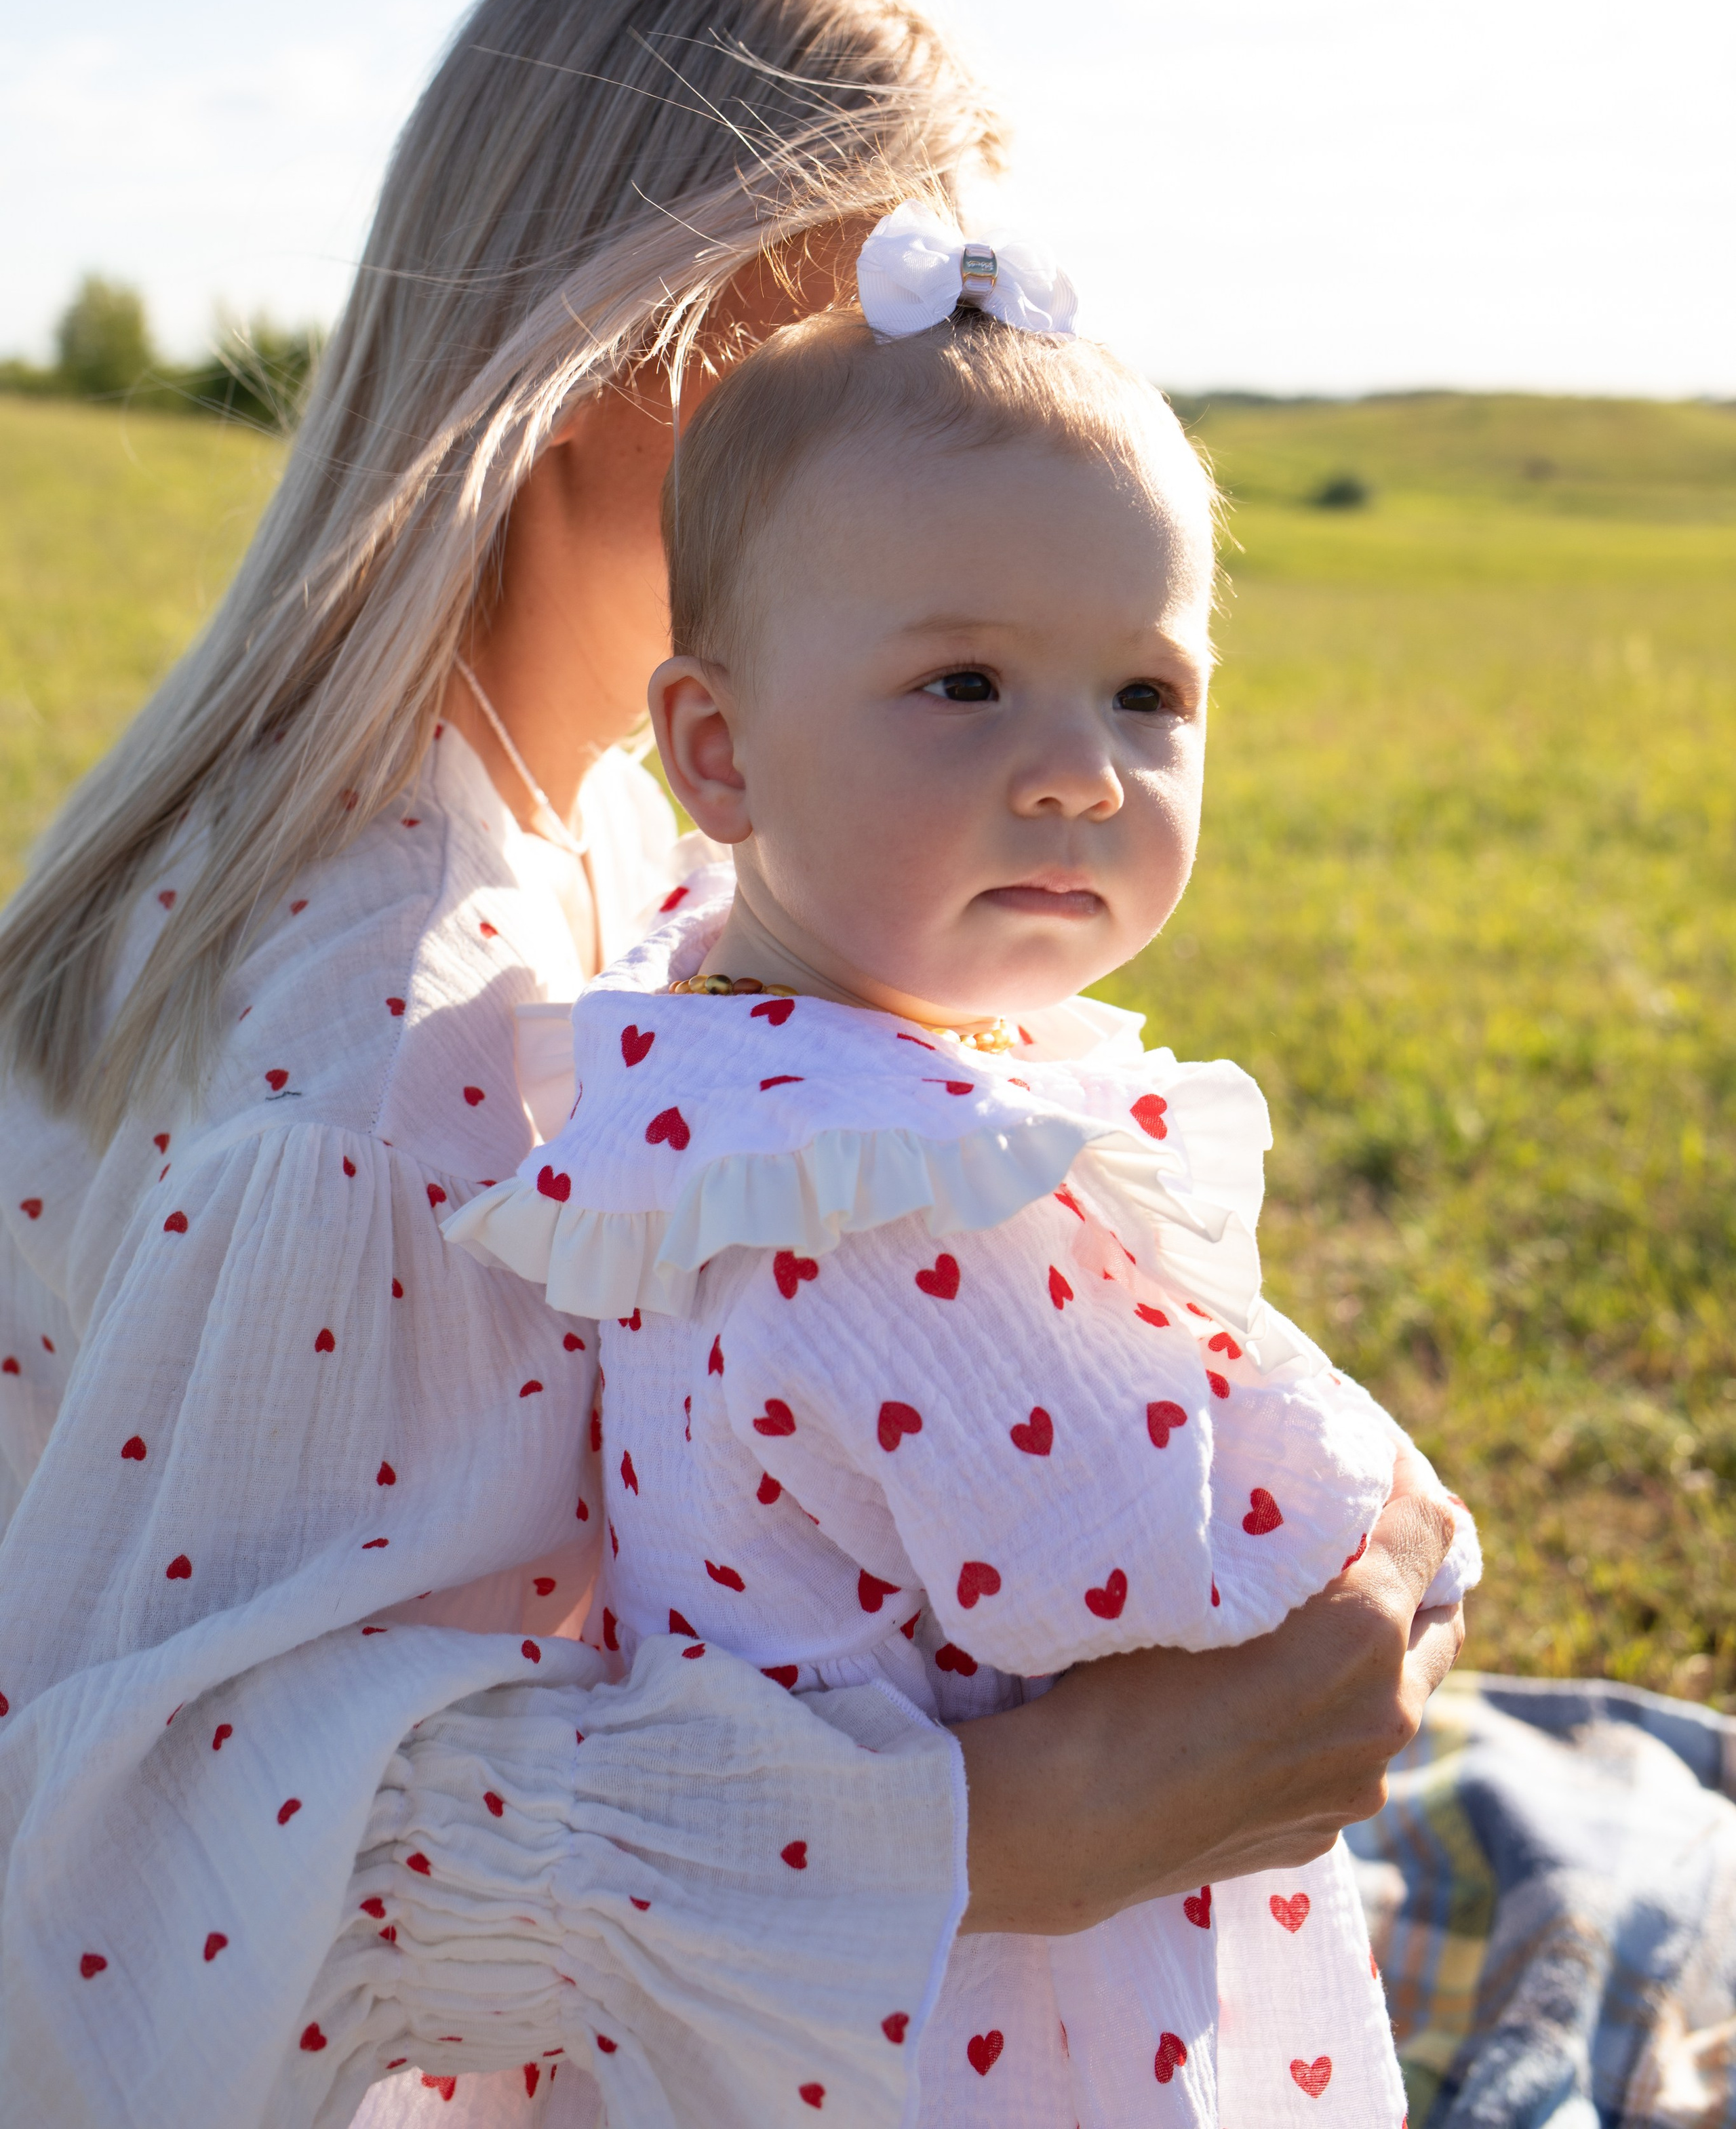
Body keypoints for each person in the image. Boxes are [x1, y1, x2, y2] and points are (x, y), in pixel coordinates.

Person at [0, 0, 1463, 2129]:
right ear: (619, 356)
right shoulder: (393, 1041)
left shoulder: (588, 810)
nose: (942, 407)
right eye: (868, 330)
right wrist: (1026, 1826)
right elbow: (151, 1885)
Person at [448, 219, 1480, 2125]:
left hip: (827, 2011)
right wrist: (1408, 1522)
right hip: (994, 2032)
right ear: (718, 749)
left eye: (1146, 697)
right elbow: (1189, 1567)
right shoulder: (894, 1188)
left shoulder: (729, 1041)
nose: (1081, 770)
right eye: (967, 686)